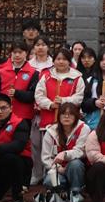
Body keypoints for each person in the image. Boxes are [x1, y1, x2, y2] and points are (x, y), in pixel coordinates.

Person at [34, 48, 84, 183]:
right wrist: (50, 104)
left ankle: (69, 178)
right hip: (49, 120)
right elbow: (38, 95)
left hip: (69, 122)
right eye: (58, 59)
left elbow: (79, 97)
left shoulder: (77, 77)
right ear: (54, 60)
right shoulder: (46, 76)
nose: (61, 62)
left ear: (69, 61)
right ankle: (49, 177)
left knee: (67, 149)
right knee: (48, 151)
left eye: (64, 59)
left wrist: (64, 101)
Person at [41, 102, 90, 202]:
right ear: (59, 116)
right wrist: (58, 168)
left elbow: (81, 151)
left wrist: (65, 154)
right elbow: (46, 157)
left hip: (75, 169)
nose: (66, 116)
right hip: (57, 170)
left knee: (75, 164)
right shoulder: (50, 131)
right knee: (49, 181)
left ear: (76, 116)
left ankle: (76, 194)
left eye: (70, 114)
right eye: (63, 114)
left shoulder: (84, 128)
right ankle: (62, 195)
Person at [0, 40, 39, 129]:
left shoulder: (33, 73)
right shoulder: (2, 71)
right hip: (3, 115)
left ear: (26, 53)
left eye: (20, 52)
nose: (17, 55)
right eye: (14, 52)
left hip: (24, 116)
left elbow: (33, 95)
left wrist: (17, 93)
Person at [81, 48, 105, 130]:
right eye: (102, 60)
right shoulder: (91, 80)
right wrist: (94, 102)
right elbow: (83, 104)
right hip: (93, 122)